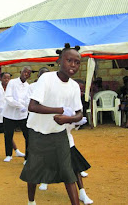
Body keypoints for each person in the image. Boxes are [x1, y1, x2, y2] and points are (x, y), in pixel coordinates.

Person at [20, 43, 83, 205]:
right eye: (69, 60)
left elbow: (79, 114)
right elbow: (32, 106)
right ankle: (31, 201)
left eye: (77, 62)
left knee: (68, 171)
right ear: (59, 61)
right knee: (34, 169)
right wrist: (60, 110)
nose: (73, 65)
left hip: (59, 133)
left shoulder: (74, 86)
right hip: (38, 132)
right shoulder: (46, 79)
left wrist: (67, 119)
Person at [1, 66, 31, 162]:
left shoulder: (28, 86)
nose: (26, 74)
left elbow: (28, 99)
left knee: (27, 136)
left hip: (22, 115)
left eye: (28, 73)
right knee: (8, 135)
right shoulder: (12, 82)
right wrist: (19, 105)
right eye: (25, 72)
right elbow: (8, 97)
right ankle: (8, 154)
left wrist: (24, 106)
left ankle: (27, 157)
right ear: (21, 72)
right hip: (9, 114)